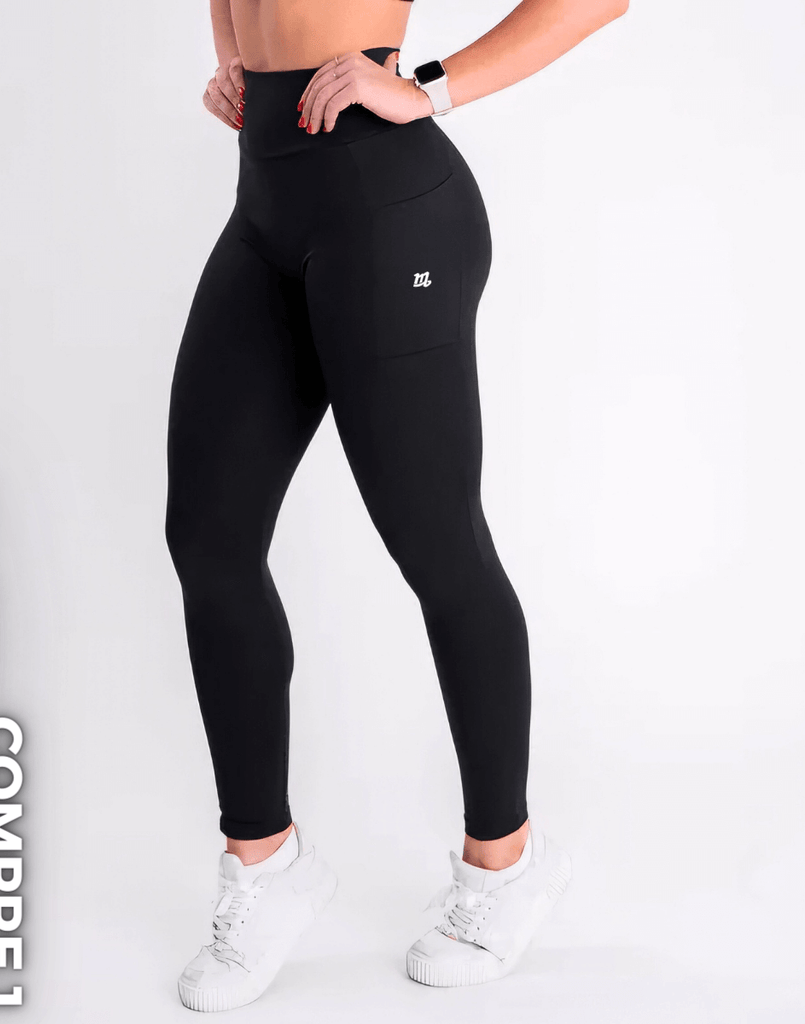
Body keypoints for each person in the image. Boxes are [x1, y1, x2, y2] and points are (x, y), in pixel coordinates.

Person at [165, 0, 628, 1010]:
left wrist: (431, 89)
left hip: (387, 209)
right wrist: (232, 56)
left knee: (437, 545)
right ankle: (265, 862)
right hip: (267, 206)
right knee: (208, 536)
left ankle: (505, 863)